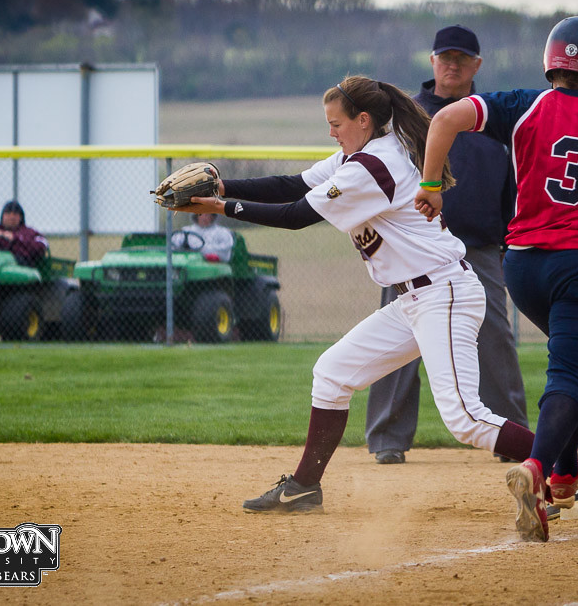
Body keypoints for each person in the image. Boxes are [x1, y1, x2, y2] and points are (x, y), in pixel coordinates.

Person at [168, 75, 537, 514]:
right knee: (332, 373)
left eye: (336, 123)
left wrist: (218, 208)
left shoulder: (372, 167)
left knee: (464, 418)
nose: (331, 131)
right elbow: (292, 185)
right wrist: (226, 187)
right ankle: (303, 488)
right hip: (416, 299)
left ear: (363, 120)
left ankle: (567, 466)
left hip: (444, 293)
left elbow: (295, 215)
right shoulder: (357, 155)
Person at [415, 17, 578, 542]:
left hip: (523, 266)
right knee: (572, 380)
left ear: (551, 61)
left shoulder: (522, 104)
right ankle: (536, 468)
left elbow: (441, 124)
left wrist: (433, 186)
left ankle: (564, 471)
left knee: (566, 365)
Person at [365, 24, 529, 466]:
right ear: (432, 61)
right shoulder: (406, 117)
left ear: (477, 65)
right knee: (399, 340)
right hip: (411, 247)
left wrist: (509, 236)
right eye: (445, 57)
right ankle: (387, 439)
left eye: (462, 58)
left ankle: (512, 435)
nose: (452, 64)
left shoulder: (492, 116)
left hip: (479, 246)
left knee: (496, 338)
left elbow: (515, 180)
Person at [0, 200, 49, 267]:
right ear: (2, 216)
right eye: (8, 213)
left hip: (19, 267)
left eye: (15, 214)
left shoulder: (28, 232)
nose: (11, 217)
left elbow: (42, 244)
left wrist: (15, 239)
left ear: (21, 217)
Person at [171, 212, 236, 262]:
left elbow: (225, 253)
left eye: (207, 215)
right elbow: (174, 246)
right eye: (201, 214)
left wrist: (202, 251)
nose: (204, 217)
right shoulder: (186, 231)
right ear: (196, 216)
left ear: (213, 217)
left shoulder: (222, 232)